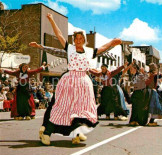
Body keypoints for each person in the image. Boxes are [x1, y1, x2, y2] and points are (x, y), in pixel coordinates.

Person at [29, 13, 122, 146]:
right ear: (74, 40)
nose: (78, 40)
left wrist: (113, 42)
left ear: (84, 40)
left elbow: (103, 48)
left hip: (84, 83)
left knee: (81, 109)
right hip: (69, 81)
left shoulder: (90, 51)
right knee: (61, 108)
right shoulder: (69, 49)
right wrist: (51, 20)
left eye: (80, 38)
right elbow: (60, 35)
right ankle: (46, 133)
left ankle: (77, 132)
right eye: (76, 38)